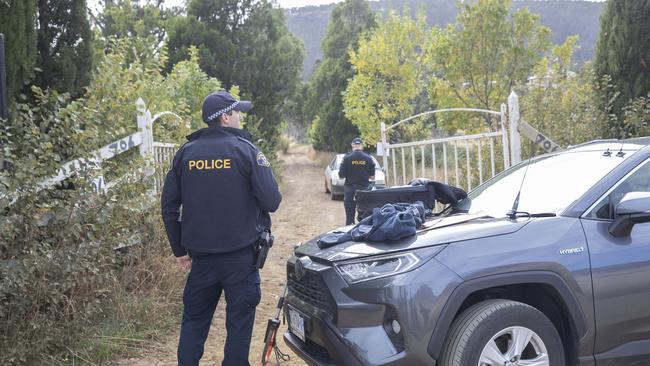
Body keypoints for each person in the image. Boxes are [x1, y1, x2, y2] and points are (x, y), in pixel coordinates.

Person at [161, 91, 282, 366]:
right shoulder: (246, 151)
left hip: (200, 260)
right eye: (238, 112)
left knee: (194, 322)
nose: (241, 116)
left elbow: (168, 206)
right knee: (239, 325)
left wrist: (179, 250)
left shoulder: (185, 154)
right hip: (241, 258)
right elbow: (272, 201)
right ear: (225, 117)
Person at [338, 137, 375, 225]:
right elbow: (372, 177)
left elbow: (341, 175)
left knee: (350, 217)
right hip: (364, 190)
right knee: (364, 217)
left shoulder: (346, 158)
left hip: (350, 190)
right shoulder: (369, 158)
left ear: (352, 145)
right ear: (361, 146)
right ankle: (362, 232)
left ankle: (349, 231)